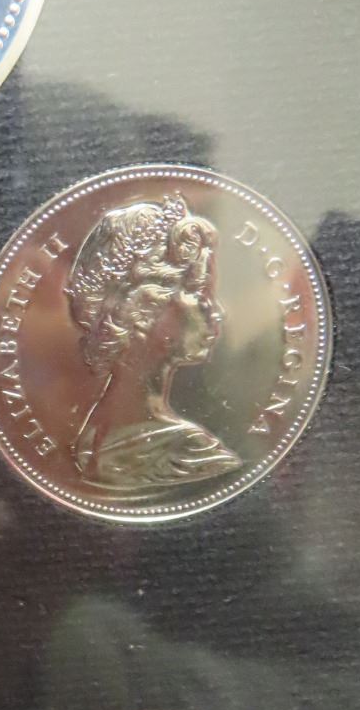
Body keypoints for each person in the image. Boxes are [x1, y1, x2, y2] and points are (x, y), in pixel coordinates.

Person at [65, 193, 240, 492]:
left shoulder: (93, 437)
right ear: (144, 312)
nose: (218, 311)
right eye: (199, 293)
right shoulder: (189, 451)